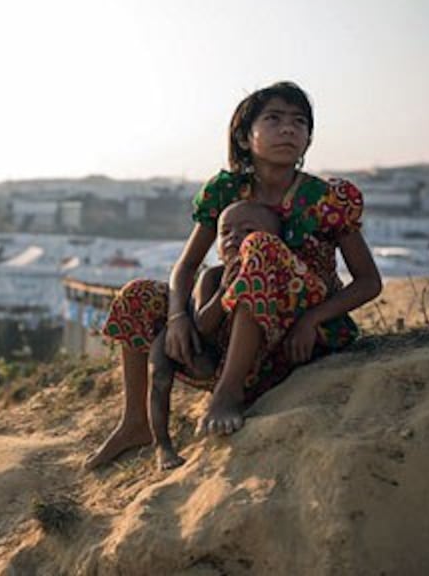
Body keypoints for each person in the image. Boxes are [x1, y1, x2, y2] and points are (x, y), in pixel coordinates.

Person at [85, 81, 382, 470]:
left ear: (308, 139)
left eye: (299, 122)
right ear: (245, 136)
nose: (289, 129)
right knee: (138, 294)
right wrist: (177, 318)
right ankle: (136, 422)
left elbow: (368, 281)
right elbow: (187, 266)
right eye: (274, 119)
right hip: (226, 327)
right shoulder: (226, 191)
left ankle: (227, 392)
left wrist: (312, 319)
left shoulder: (327, 200)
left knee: (257, 248)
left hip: (299, 333)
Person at [150, 200, 282, 470]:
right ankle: (162, 445)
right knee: (159, 377)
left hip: (227, 360)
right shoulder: (211, 276)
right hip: (192, 346)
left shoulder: (268, 282)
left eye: (247, 231)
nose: (234, 237)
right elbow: (202, 325)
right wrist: (224, 291)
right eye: (226, 232)